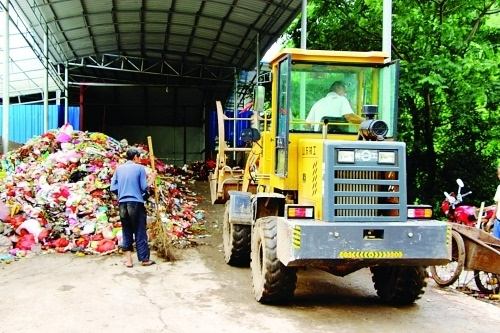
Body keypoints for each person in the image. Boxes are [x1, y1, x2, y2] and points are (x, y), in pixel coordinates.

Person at [111, 147, 156, 267]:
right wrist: (152, 179)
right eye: (139, 157)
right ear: (135, 157)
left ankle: (129, 261)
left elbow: (112, 188)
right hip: (136, 203)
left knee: (126, 231)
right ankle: (144, 259)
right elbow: (143, 187)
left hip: (122, 204)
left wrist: (122, 193)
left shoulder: (119, 169)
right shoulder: (139, 168)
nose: (140, 159)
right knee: (139, 230)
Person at [489, 165, 500, 239]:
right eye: (498, 174)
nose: (499, 176)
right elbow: (497, 205)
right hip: (498, 221)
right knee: (494, 244)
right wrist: (491, 220)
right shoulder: (499, 187)